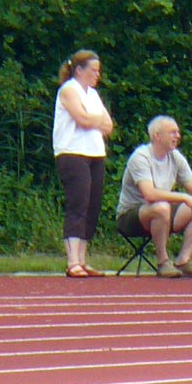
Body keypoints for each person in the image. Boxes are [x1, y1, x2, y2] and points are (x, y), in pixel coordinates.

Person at [115, 116, 192, 277]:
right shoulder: (141, 157)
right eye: (172, 132)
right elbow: (150, 194)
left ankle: (183, 261)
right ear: (157, 136)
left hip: (163, 212)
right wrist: (185, 198)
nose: (178, 136)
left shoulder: (175, 157)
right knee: (161, 207)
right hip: (131, 215)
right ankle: (163, 262)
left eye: (178, 132)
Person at [54, 50, 115, 278]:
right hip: (72, 152)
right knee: (77, 204)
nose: (97, 74)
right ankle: (72, 261)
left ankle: (83, 258)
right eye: (93, 70)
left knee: (92, 204)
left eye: (98, 70)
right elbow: (82, 118)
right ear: (79, 70)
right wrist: (95, 121)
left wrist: (95, 121)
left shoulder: (93, 94)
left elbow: (108, 125)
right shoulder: (69, 89)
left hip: (95, 153)